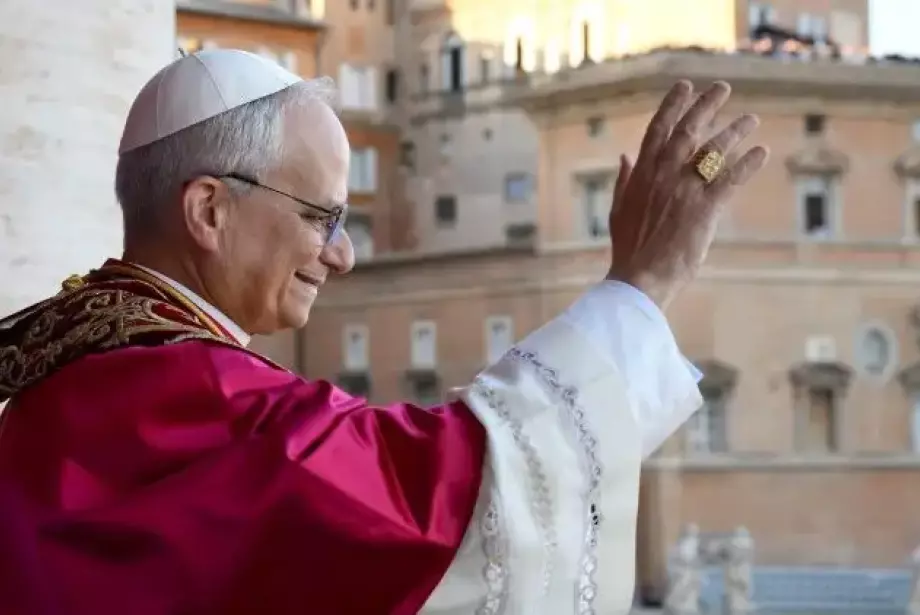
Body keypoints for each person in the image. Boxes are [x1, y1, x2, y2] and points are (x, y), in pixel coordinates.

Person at [0, 49, 768, 615]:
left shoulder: (58, 376)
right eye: (321, 217)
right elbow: (441, 499)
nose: (342, 255)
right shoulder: (202, 398)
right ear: (209, 210)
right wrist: (643, 283)